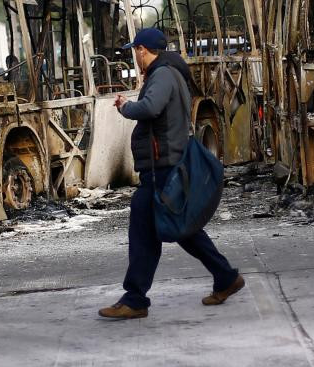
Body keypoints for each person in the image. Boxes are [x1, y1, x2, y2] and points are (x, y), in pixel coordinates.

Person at [98, 27, 243, 320]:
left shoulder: (162, 74)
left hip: (161, 166)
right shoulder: (167, 72)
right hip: (161, 164)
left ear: (142, 50)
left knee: (162, 229)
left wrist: (126, 106)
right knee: (175, 229)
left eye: (135, 51)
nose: (135, 57)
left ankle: (136, 299)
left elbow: (150, 108)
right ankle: (224, 277)